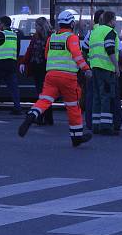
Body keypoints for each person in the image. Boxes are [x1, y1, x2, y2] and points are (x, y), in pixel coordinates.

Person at [18, 9, 93, 147]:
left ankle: (32, 115)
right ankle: (76, 137)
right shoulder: (71, 37)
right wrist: (86, 69)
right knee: (73, 107)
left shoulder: (52, 38)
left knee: (44, 100)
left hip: (51, 76)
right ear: (71, 24)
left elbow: (47, 55)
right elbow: (77, 55)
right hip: (68, 77)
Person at [88, 11, 120, 135]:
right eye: (115, 19)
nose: (115, 22)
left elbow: (86, 49)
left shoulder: (95, 32)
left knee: (97, 97)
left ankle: (96, 125)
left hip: (95, 68)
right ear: (111, 20)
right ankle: (106, 126)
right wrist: (116, 67)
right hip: (106, 69)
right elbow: (110, 49)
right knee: (106, 96)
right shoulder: (110, 32)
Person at [19, 17, 53, 125]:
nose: (35, 28)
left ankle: (42, 117)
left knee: (43, 94)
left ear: (41, 26)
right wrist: (23, 62)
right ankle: (46, 118)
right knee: (43, 94)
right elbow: (30, 50)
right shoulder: (38, 36)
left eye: (36, 26)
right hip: (38, 68)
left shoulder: (51, 37)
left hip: (45, 68)